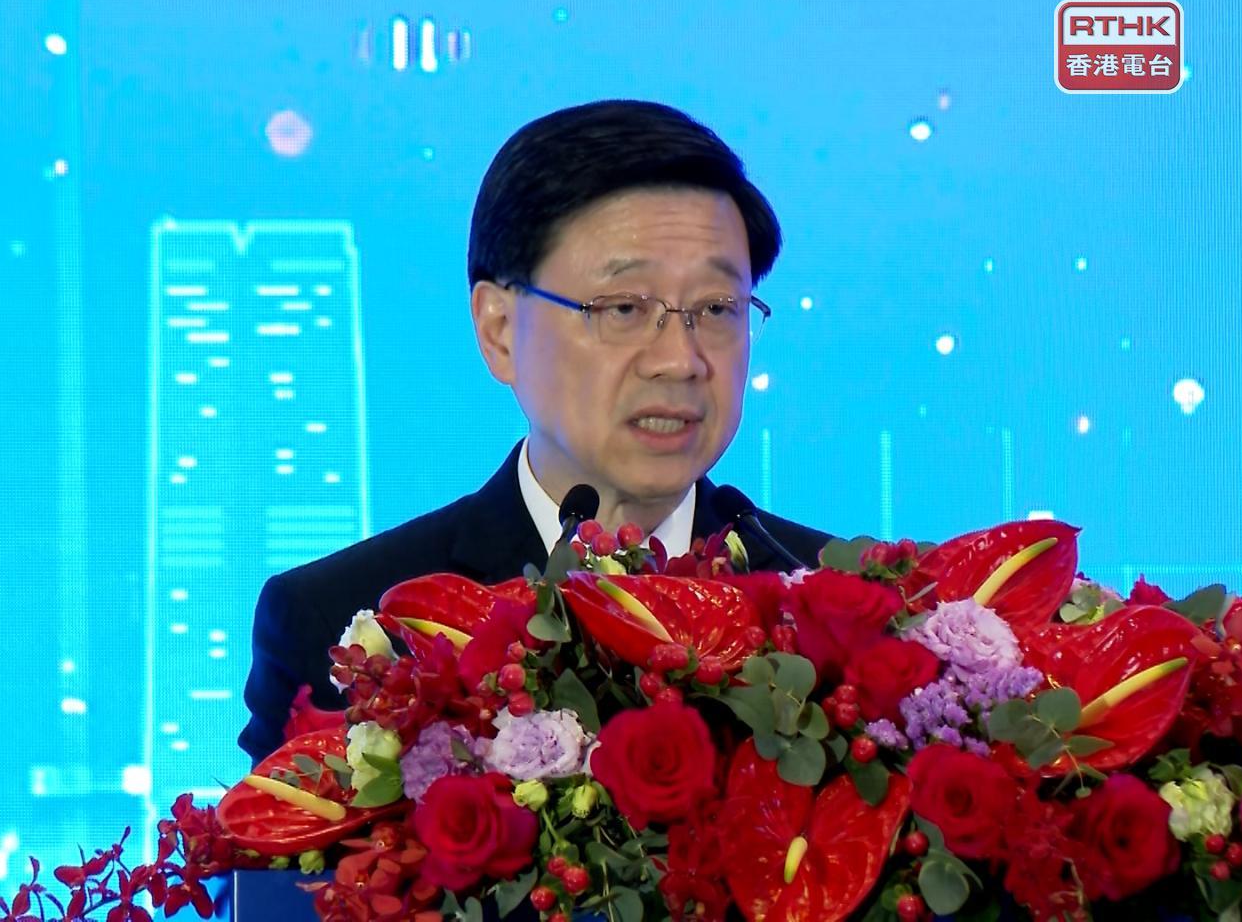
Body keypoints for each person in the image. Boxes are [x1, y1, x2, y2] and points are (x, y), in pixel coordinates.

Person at [239, 99, 833, 765]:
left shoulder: (842, 610)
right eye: (624, 308)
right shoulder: (345, 620)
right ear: (499, 331)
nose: (680, 360)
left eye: (718, 308)